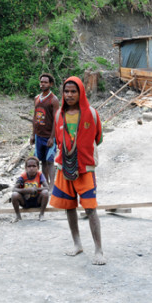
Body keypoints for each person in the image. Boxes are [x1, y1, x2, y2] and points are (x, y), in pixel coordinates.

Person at [49, 76, 105, 265]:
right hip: (64, 167)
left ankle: (99, 250)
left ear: (81, 92)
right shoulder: (59, 115)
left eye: (74, 91)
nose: (70, 94)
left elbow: (98, 138)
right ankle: (77, 244)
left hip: (85, 169)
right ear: (62, 93)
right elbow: (59, 140)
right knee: (69, 207)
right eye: (67, 91)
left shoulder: (92, 113)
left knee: (91, 209)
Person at [30, 73, 59, 191]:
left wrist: (52, 137)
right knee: (42, 161)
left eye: (45, 82)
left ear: (50, 84)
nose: (42, 84)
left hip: (49, 136)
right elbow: (35, 116)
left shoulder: (53, 100)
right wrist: (33, 134)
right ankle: (45, 184)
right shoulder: (37, 98)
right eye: (41, 82)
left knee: (50, 161)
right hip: (38, 136)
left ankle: (52, 186)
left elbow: (56, 119)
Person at [11, 156, 49, 222]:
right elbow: (14, 189)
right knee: (14, 195)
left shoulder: (40, 175)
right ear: (26, 168)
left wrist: (36, 189)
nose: (31, 168)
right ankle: (18, 216)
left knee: (45, 193)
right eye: (29, 166)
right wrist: (26, 190)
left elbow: (47, 187)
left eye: (34, 166)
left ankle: (41, 215)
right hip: (25, 201)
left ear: (38, 167)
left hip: (37, 201)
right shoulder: (23, 176)